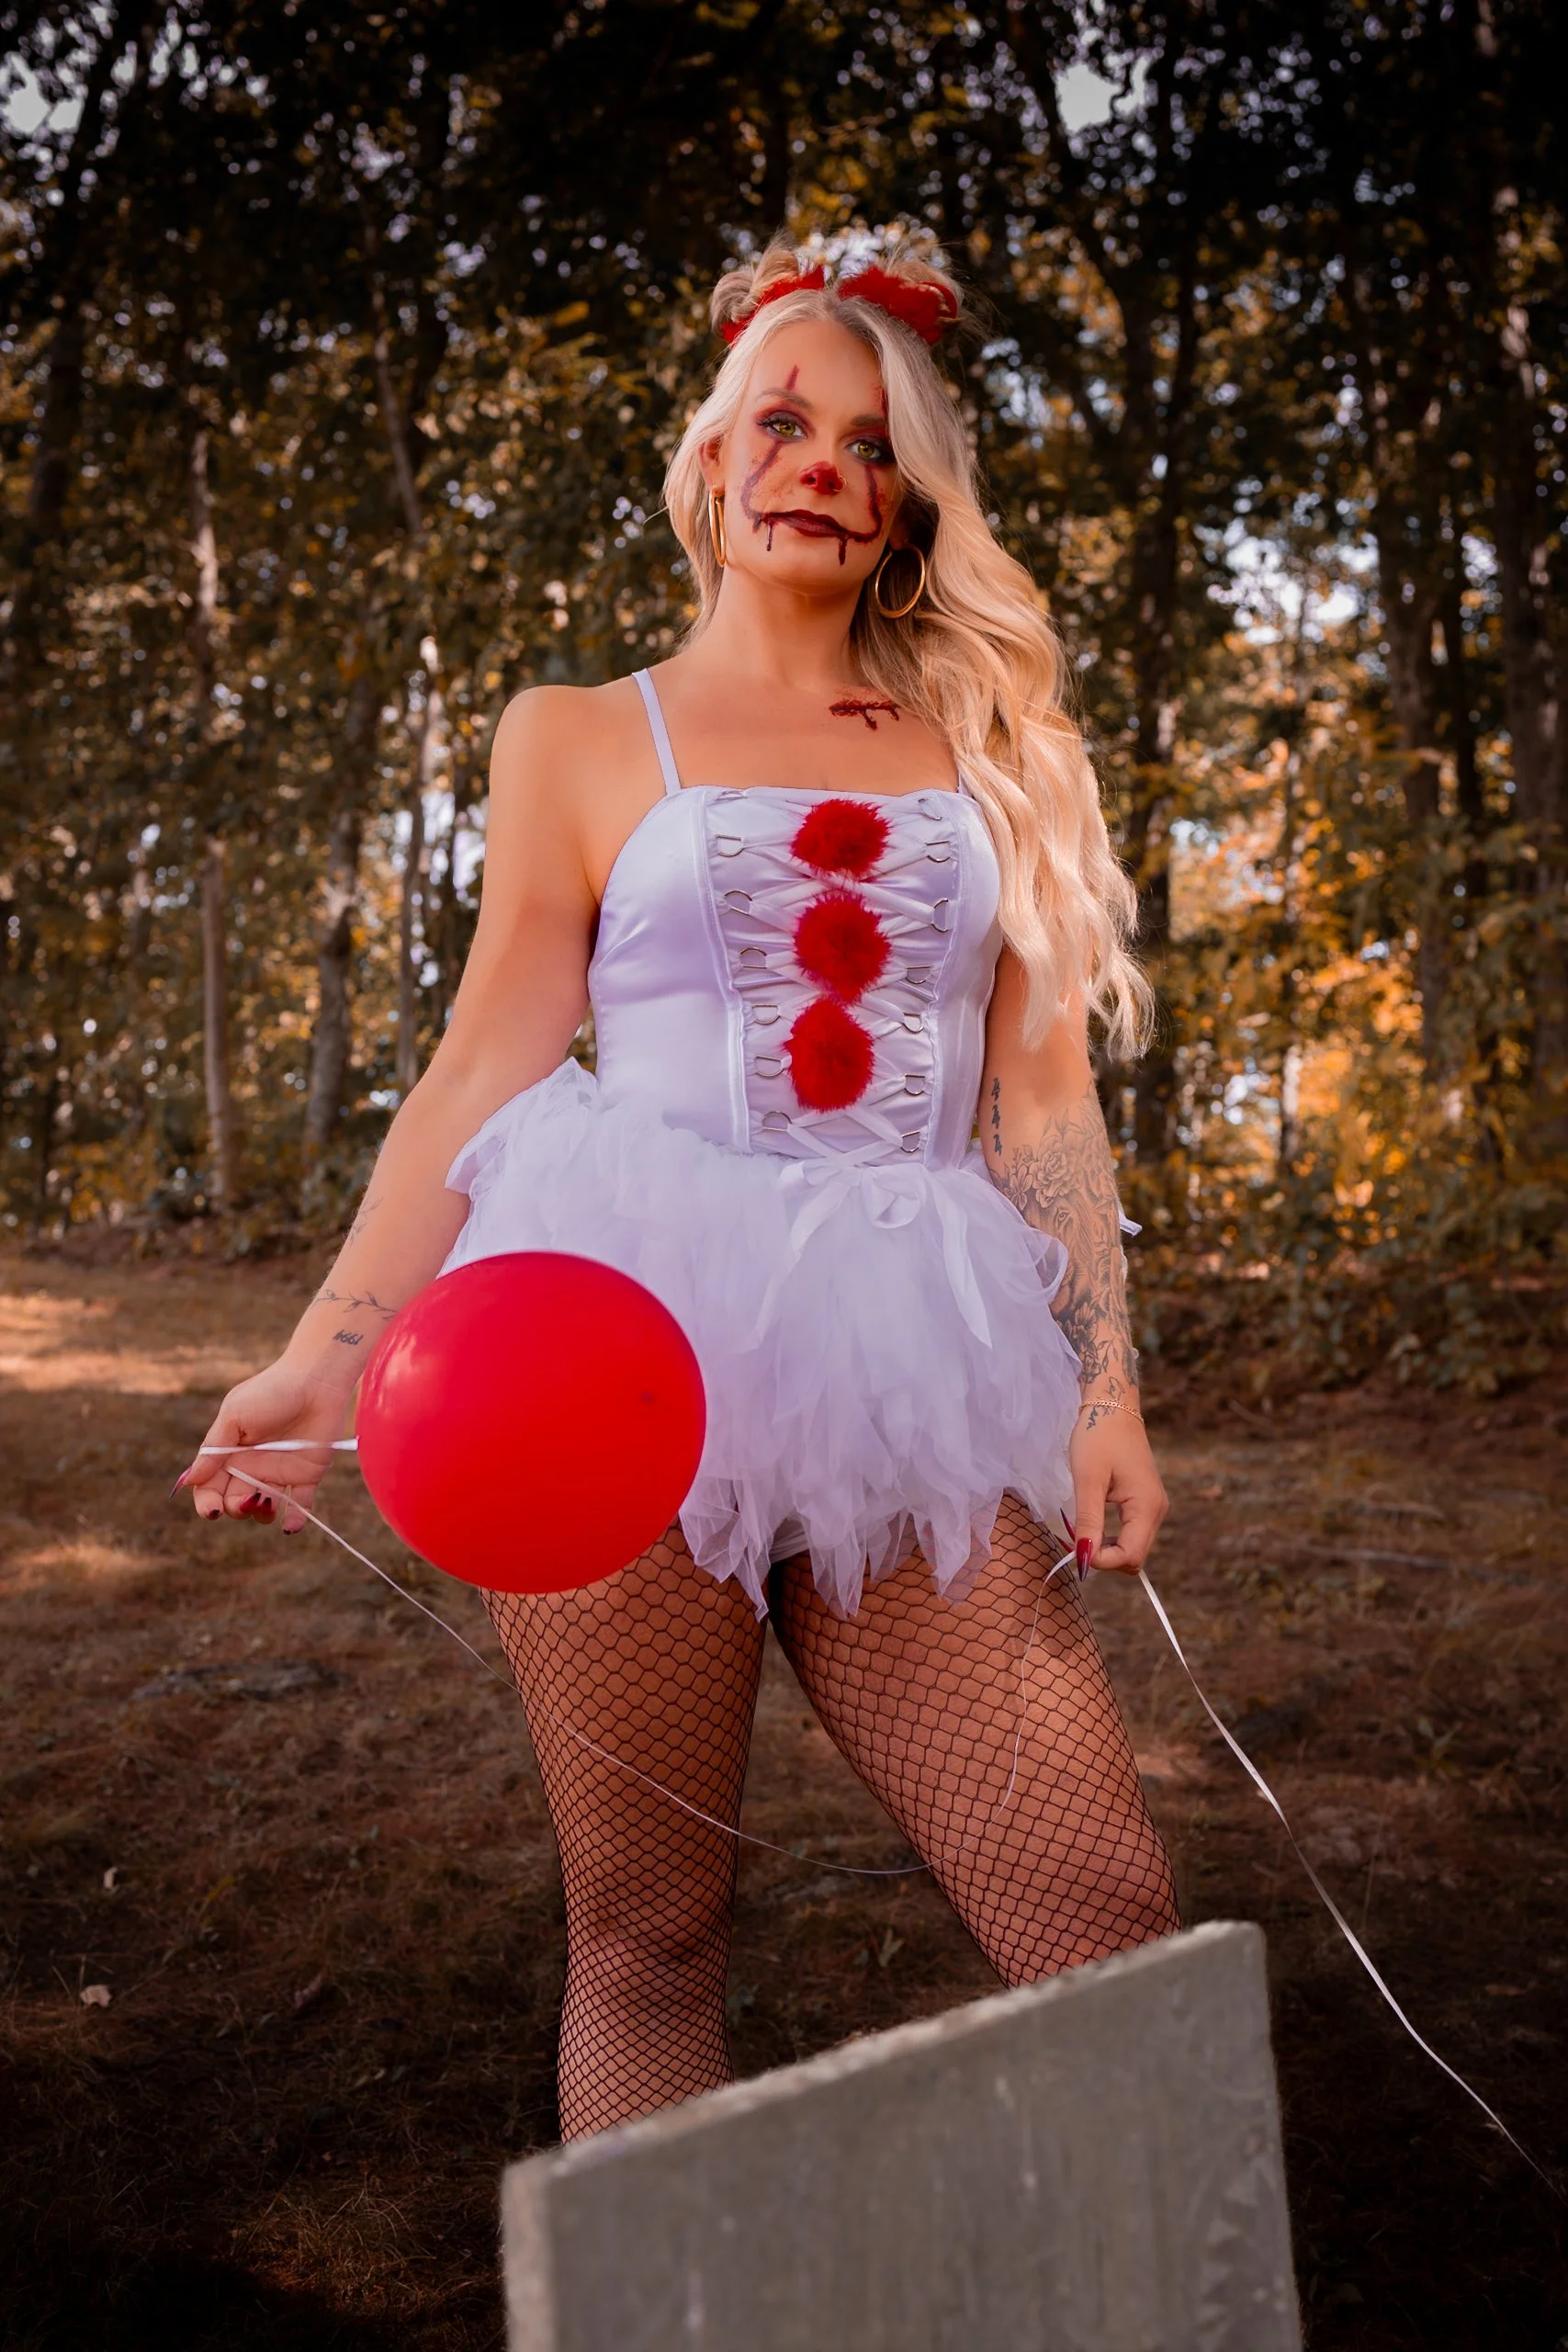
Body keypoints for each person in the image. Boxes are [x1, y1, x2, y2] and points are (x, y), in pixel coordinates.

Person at [182, 236, 1179, 2141]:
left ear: (909, 509)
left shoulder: (996, 745)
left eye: (872, 445)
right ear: (713, 459)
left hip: (915, 1355)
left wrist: (1105, 1382)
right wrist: (326, 1355)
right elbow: (485, 1061)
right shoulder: (574, 729)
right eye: (782, 421)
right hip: (609, 1342)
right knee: (647, 1933)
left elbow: (1035, 1090)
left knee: (1106, 1911)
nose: (821, 460)